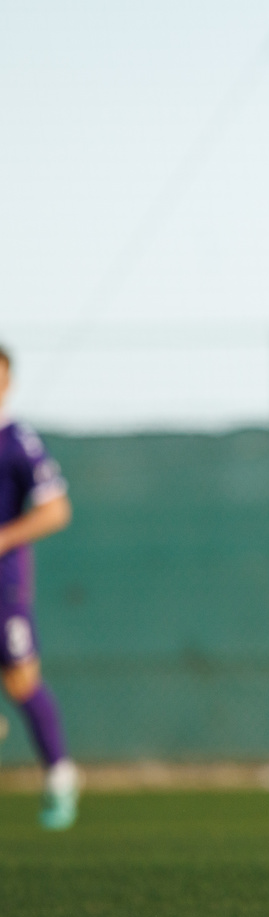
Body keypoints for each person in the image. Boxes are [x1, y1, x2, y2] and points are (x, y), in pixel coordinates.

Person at [0, 344, 79, 830]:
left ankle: (60, 779)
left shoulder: (17, 443)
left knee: (22, 681)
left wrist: (5, 536)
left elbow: (56, 509)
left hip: (3, 589)